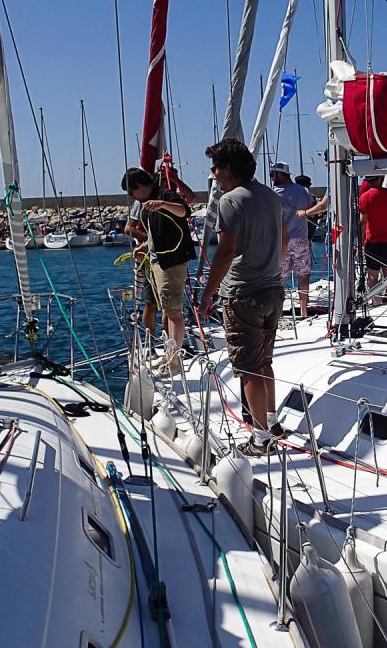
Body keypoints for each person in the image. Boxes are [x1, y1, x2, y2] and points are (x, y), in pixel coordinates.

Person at [198, 138, 289, 454]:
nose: (213, 174)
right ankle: (272, 422)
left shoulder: (230, 201)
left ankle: (261, 439)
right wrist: (272, 268)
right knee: (265, 361)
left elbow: (225, 252)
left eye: (215, 168)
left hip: (243, 293)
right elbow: (284, 238)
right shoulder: (270, 196)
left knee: (249, 367)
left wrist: (208, 294)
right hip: (273, 289)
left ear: (228, 169)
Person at [122, 166, 196, 376]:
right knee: (168, 310)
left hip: (171, 262)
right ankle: (170, 354)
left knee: (174, 312)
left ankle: (174, 363)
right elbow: (158, 232)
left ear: (140, 186)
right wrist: (145, 246)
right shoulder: (147, 203)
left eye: (132, 192)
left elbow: (184, 210)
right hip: (158, 261)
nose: (132, 197)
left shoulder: (165, 195)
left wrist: (163, 204)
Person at [269, 161, 316, 317]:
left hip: (281, 241)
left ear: (280, 174)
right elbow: (311, 207)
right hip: (300, 239)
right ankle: (304, 312)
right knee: (304, 276)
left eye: (273, 174)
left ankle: (278, 313)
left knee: (280, 278)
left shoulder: (273, 193)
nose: (271, 177)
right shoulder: (303, 190)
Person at [359, 175, 387, 302]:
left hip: (372, 242)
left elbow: (363, 223)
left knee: (373, 278)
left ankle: (377, 304)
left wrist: (360, 243)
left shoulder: (365, 197)